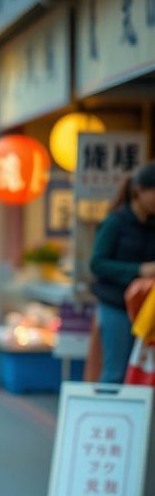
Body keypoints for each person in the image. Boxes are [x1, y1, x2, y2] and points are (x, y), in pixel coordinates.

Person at [89, 161, 155, 383]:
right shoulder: (115, 222)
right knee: (115, 371)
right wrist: (139, 270)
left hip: (147, 309)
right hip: (115, 304)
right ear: (139, 191)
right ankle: (107, 407)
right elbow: (97, 263)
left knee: (141, 372)